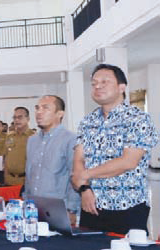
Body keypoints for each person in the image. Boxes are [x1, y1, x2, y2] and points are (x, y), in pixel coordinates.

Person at [71, 64, 159, 234]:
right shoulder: (87, 122)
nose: (98, 86)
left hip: (128, 208)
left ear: (122, 87)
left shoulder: (138, 119)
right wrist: (84, 189)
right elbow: (79, 160)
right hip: (91, 205)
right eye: (94, 83)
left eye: (105, 82)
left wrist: (85, 175)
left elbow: (128, 162)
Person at [25, 95, 79, 219]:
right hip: (34, 208)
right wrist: (26, 201)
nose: (39, 112)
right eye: (37, 108)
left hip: (60, 210)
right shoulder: (32, 141)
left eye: (45, 108)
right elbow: (29, 174)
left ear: (59, 114)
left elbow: (75, 176)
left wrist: (72, 209)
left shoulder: (71, 139)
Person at [4, 107, 34, 186]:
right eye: (14, 118)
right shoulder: (9, 136)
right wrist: (5, 176)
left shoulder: (34, 137)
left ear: (28, 118)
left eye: (20, 117)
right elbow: (6, 156)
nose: (16, 120)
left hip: (26, 181)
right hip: (9, 180)